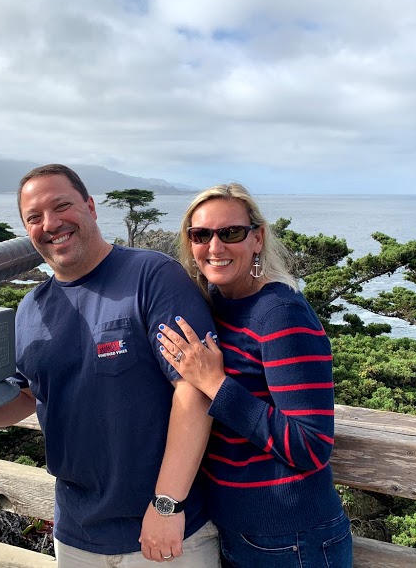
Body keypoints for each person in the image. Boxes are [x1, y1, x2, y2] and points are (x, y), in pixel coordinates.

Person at [0, 164, 221, 566]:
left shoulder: (151, 275)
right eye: (34, 217)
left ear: (91, 207)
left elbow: (194, 389)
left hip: (166, 530)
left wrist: (167, 504)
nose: (50, 223)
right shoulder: (30, 309)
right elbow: (24, 396)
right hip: (77, 534)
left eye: (61, 206)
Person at [156, 183, 353, 568]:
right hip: (233, 529)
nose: (215, 247)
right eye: (201, 235)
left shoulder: (280, 313)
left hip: (293, 539)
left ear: (258, 238)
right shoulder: (213, 304)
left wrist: (214, 384)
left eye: (231, 233)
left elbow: (311, 445)